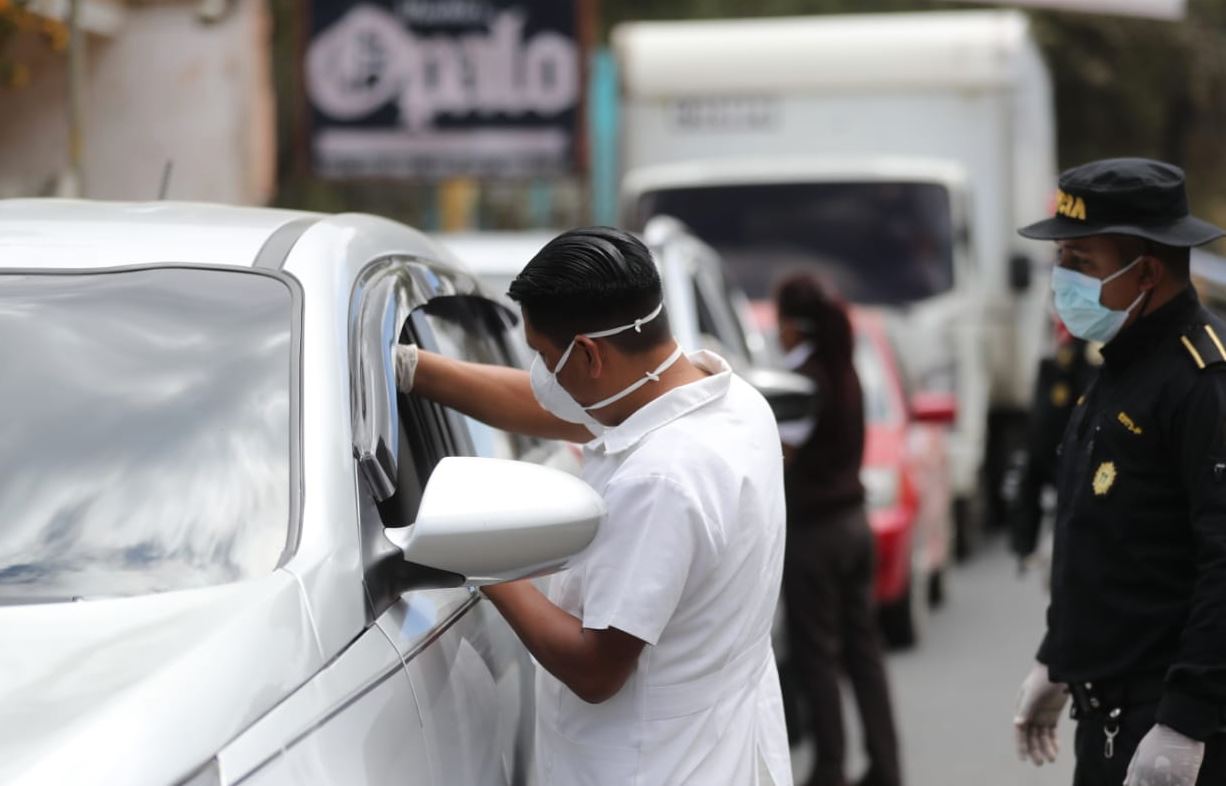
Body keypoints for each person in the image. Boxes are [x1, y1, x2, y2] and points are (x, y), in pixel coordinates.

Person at [394, 227, 793, 786]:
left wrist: (477, 556)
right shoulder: (729, 402)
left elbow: (595, 668)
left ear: (589, 353)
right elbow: (546, 408)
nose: (539, 372)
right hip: (719, 747)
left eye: (541, 354)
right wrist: (415, 368)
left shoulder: (661, 479)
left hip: (653, 765)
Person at [1012, 158, 1226, 786]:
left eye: (1082, 262)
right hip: (1105, 713)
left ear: (1148, 272)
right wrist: (1059, 660)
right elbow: (1099, 538)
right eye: (1061, 259)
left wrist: (1186, 724)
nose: (1063, 278)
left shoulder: (1200, 384)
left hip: (1167, 721)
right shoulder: (1120, 363)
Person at [774, 273, 901, 786]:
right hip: (854, 527)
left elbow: (783, 452)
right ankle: (886, 768)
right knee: (864, 656)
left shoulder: (804, 381)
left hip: (817, 537)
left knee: (818, 658)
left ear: (792, 325)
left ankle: (830, 769)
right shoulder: (843, 368)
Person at [1007, 324, 1098, 570]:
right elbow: (1039, 440)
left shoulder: (1094, 350)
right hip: (1061, 474)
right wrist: (1024, 540)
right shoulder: (1054, 353)